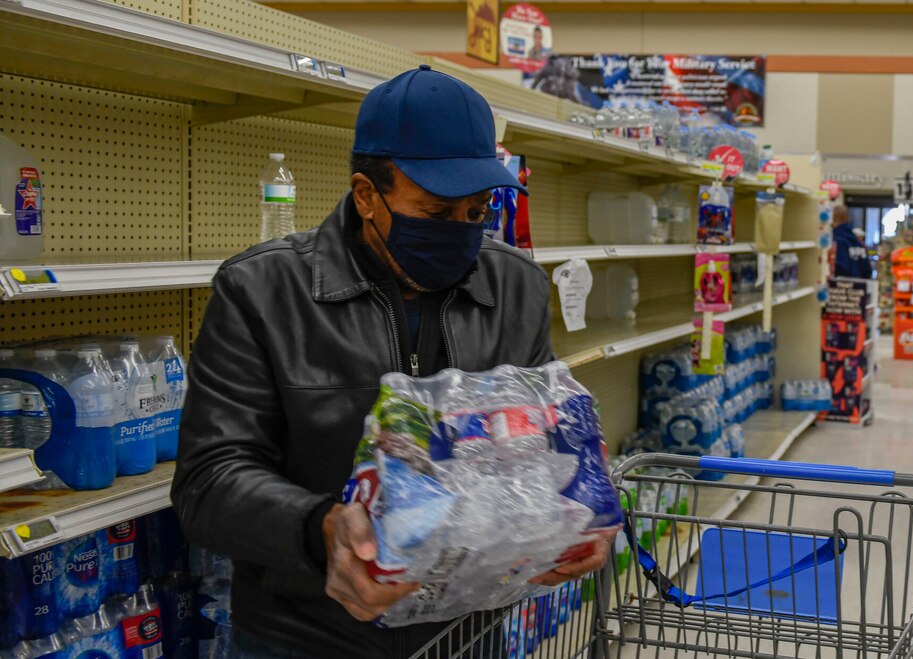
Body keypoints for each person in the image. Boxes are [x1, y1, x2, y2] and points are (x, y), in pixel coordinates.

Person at [171, 65, 613, 658]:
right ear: (366, 195)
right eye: (434, 212)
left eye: (477, 211)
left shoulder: (516, 286)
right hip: (306, 635)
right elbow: (208, 481)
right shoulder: (262, 289)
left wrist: (576, 511)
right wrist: (321, 527)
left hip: (468, 631)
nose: (461, 231)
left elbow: (539, 434)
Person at [831, 205, 872, 279]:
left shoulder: (837, 242)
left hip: (841, 288)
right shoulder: (858, 243)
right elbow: (867, 270)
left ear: (833, 219)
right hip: (859, 287)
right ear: (848, 218)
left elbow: (841, 268)